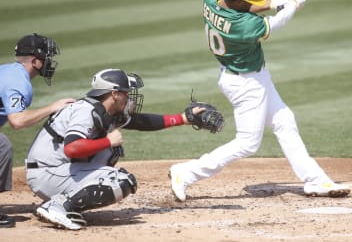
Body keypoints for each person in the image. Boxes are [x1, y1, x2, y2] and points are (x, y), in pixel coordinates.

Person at [169, 0, 350, 202]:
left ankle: (315, 179)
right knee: (247, 143)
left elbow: (242, 9)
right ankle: (185, 173)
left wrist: (274, 3)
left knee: (285, 121)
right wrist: (293, 6)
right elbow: (275, 23)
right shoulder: (243, 27)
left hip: (246, 76)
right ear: (238, 1)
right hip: (246, 84)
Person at [26, 68, 204, 230]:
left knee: (110, 154)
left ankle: (64, 201)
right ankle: (57, 207)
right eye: (126, 93)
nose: (129, 97)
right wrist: (107, 141)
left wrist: (183, 118)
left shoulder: (107, 112)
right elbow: (72, 148)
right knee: (120, 180)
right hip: (47, 173)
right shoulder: (85, 111)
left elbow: (141, 121)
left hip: (58, 171)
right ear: (114, 94)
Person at [0, 33, 74, 228]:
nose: (49, 62)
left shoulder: (9, 71)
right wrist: (51, 107)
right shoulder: (17, 81)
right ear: (35, 61)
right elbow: (17, 121)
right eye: (46, 58)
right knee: (2, 146)